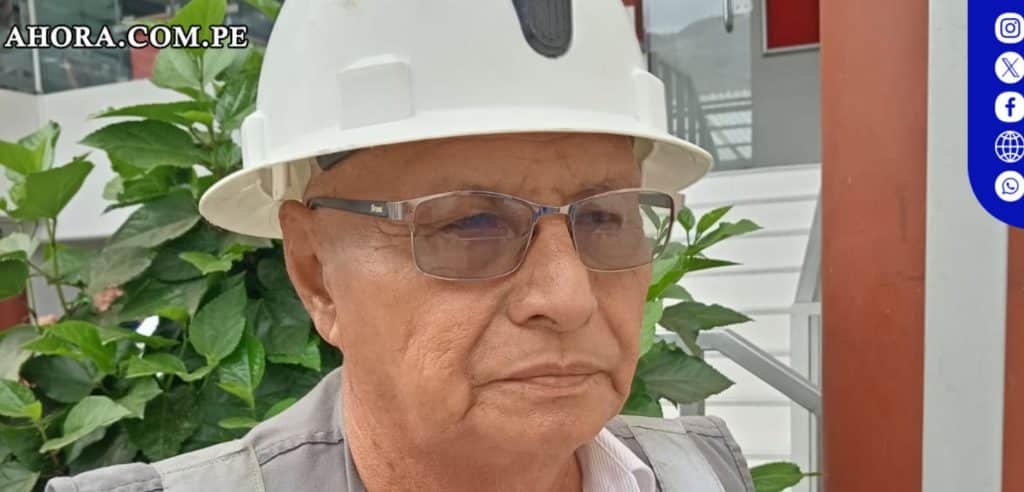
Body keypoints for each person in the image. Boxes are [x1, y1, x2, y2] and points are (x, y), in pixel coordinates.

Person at [47, 1, 755, 491]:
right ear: (315, 274)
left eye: (603, 218)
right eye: (468, 225)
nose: (568, 298)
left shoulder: (704, 473)